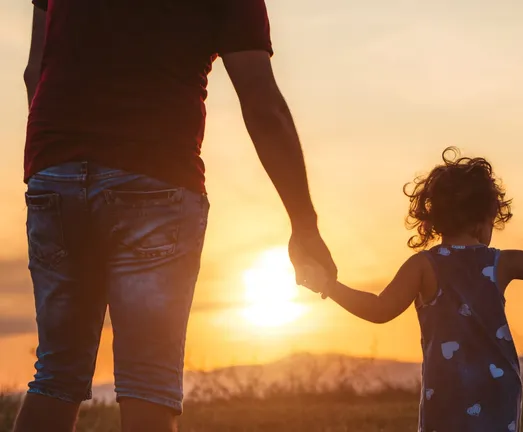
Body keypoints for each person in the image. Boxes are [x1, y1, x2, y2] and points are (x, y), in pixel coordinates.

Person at [15, 1, 336, 432]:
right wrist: (304, 225)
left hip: (54, 175)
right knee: (148, 380)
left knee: (56, 375)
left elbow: (36, 73)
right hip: (154, 177)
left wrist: (62, 162)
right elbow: (262, 104)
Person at [301, 148, 523, 432]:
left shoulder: (423, 266)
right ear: (485, 219)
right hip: (497, 392)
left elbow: (379, 309)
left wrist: (330, 286)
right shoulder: (499, 264)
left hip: (446, 399)